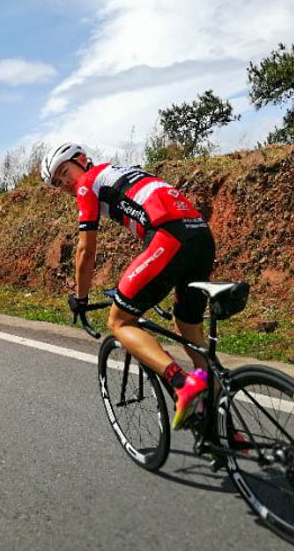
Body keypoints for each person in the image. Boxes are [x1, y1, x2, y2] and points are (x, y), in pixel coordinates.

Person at [41, 143, 215, 429]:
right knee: (188, 329)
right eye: (59, 183)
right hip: (200, 236)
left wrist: (80, 298)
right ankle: (220, 426)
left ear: (82, 161)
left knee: (119, 321)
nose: (66, 184)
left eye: (64, 172)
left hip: (168, 236)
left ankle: (183, 384)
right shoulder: (124, 174)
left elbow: (86, 249)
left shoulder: (88, 183)